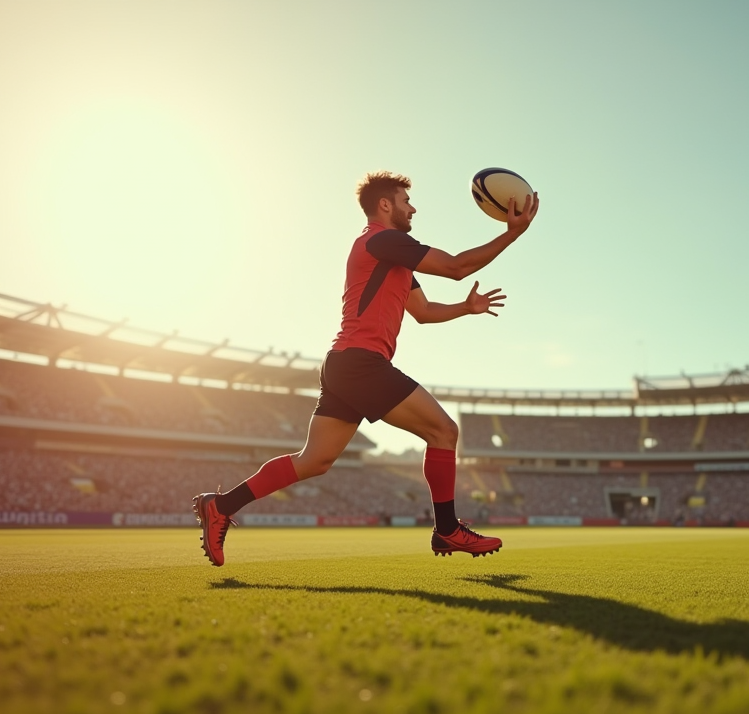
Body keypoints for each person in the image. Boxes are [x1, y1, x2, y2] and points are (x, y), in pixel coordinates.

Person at [192, 171, 539, 566]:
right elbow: (457, 266)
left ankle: (220, 505)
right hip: (360, 363)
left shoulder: (391, 253)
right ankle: (447, 530)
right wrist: (513, 233)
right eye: (406, 201)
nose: (413, 208)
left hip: (345, 364)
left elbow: (422, 313)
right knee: (443, 431)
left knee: (314, 461)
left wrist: (464, 307)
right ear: (385, 205)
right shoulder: (384, 239)